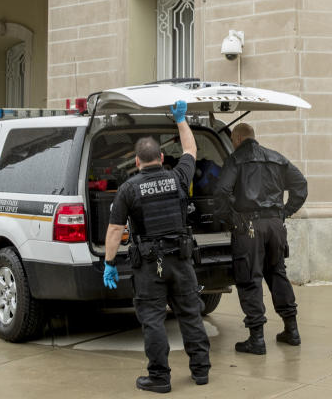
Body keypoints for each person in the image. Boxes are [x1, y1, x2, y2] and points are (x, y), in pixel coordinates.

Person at [103, 100, 210, 394]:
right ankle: (201, 371)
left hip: (150, 266)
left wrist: (109, 264)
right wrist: (181, 120)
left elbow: (114, 230)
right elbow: (190, 150)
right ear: (162, 157)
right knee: (190, 313)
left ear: (137, 162)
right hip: (181, 260)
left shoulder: (128, 188)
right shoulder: (178, 177)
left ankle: (160, 378)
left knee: (152, 320)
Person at [213, 123, 308, 355]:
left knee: (249, 278)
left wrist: (230, 218)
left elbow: (221, 192)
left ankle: (256, 339)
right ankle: (292, 330)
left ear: (236, 139)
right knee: (277, 273)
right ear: (253, 138)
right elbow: (301, 186)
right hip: (276, 226)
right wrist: (284, 212)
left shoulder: (236, 160)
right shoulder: (276, 158)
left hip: (249, 226)